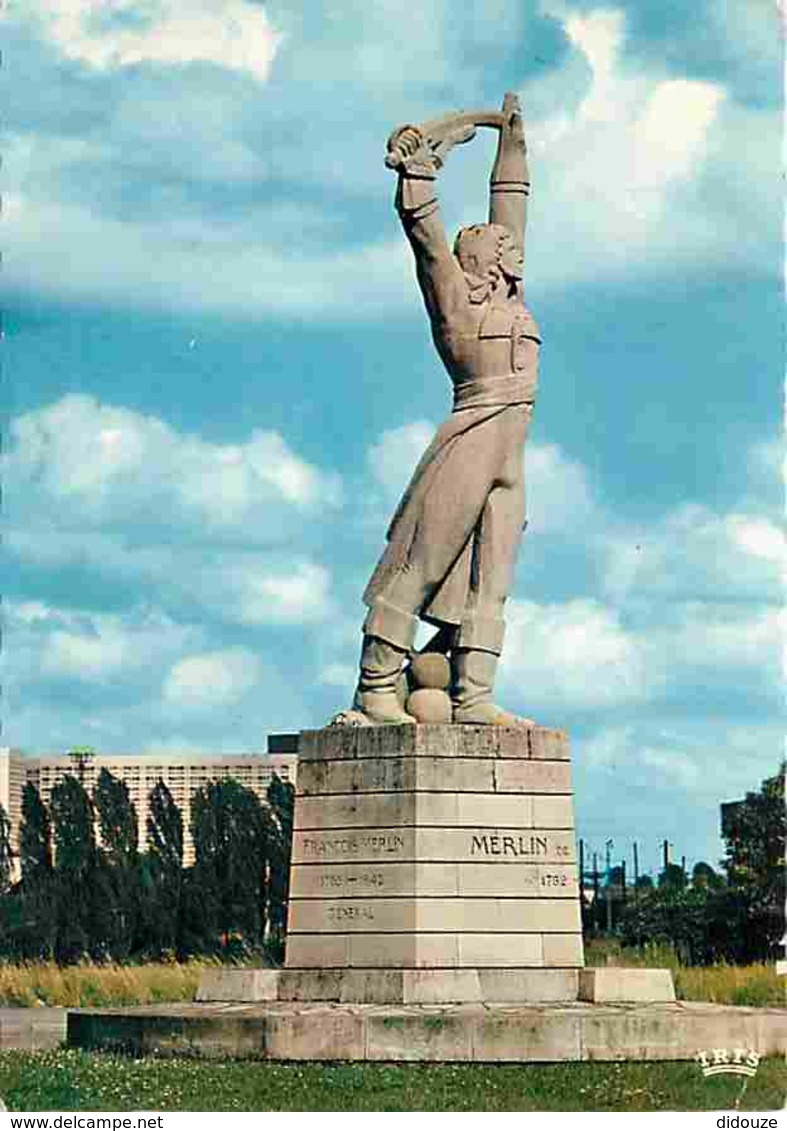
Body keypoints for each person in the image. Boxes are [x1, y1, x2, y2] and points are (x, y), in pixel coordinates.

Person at [355, 92, 540, 726]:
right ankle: (377, 686)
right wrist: (419, 174)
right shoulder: (457, 305)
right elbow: (428, 242)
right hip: (471, 436)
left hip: (510, 455)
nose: (509, 241)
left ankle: (474, 694)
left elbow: (511, 205)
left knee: (494, 580)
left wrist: (509, 142)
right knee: (423, 562)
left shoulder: (512, 299)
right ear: (480, 266)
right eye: (496, 243)